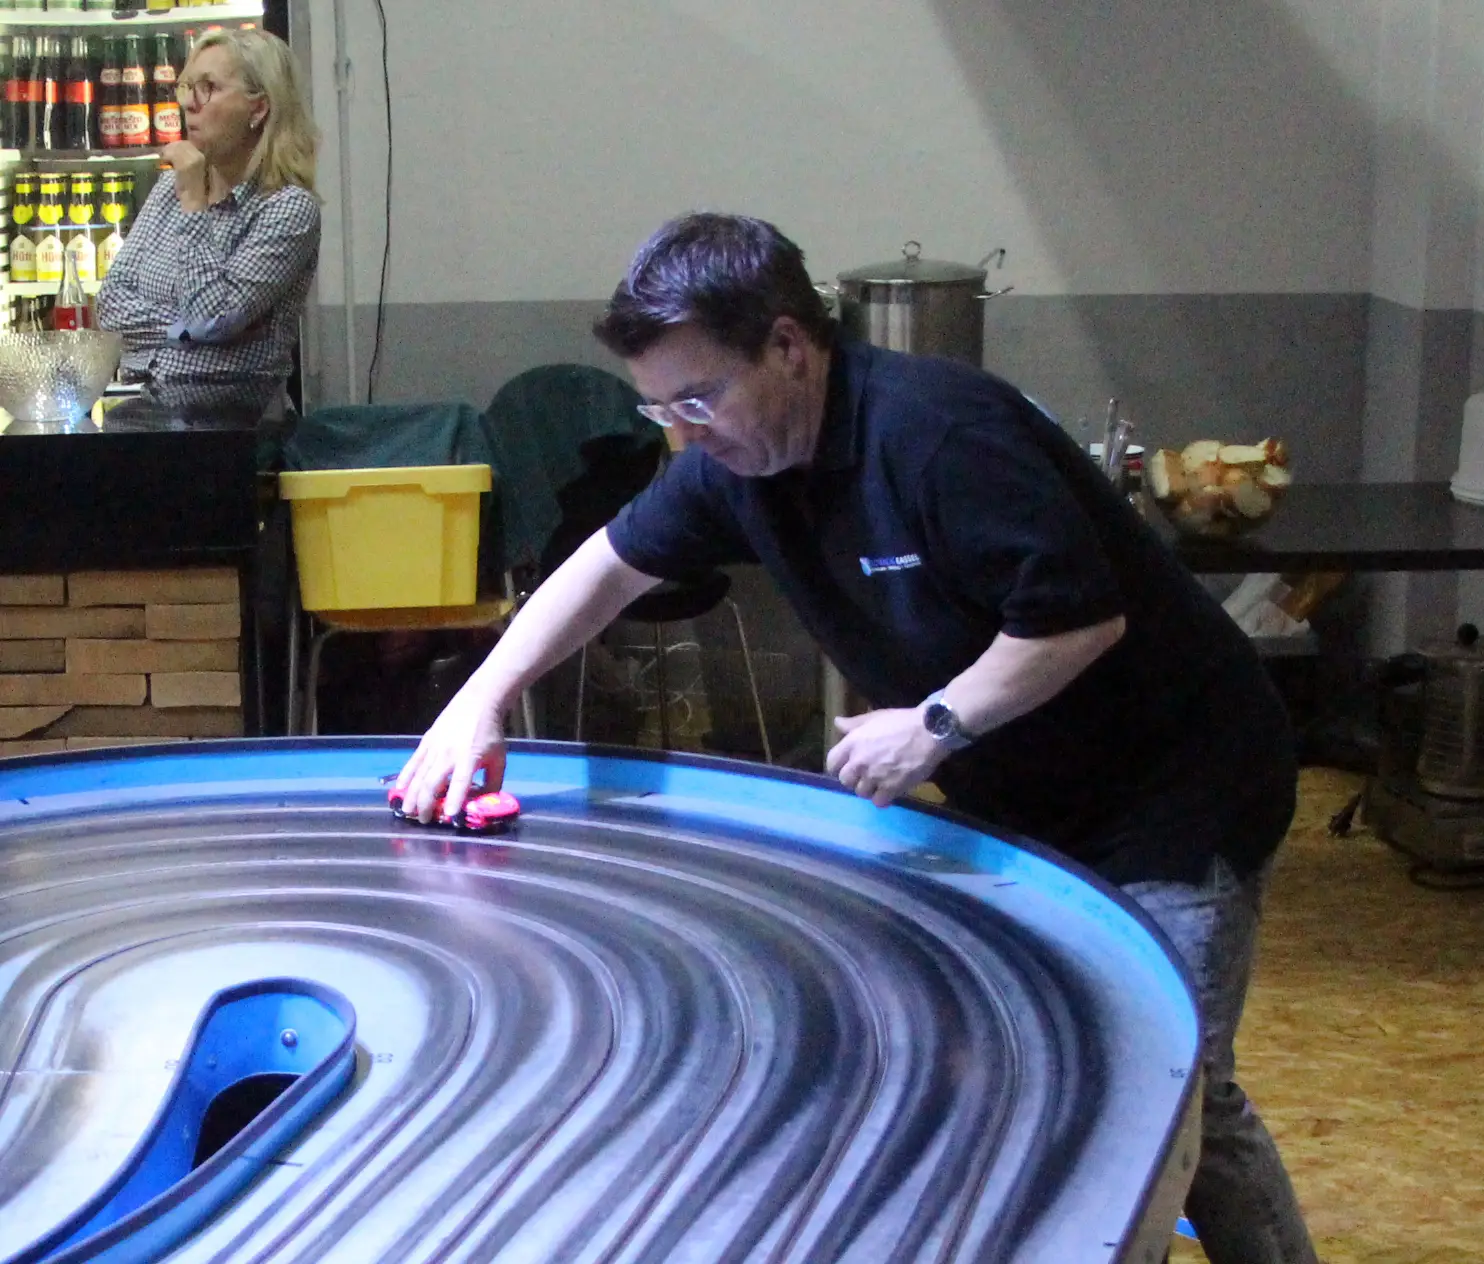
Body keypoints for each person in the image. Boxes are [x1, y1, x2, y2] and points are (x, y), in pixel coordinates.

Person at [397, 213, 1318, 1264]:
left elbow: (1078, 620)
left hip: (1176, 782)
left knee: (1171, 1089)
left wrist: (932, 725)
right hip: (1023, 788)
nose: (685, 432)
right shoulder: (737, 460)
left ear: (788, 347)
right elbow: (609, 566)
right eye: (660, 408)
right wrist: (482, 699)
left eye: (698, 398)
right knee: (1020, 1052)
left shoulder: (939, 434)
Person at [96, 28, 320, 393]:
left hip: (229, 412)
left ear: (258, 108)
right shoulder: (168, 189)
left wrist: (194, 204)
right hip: (142, 401)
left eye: (208, 88)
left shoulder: (288, 208)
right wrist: (191, 332)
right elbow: (109, 305)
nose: (188, 104)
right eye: (187, 87)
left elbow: (211, 315)